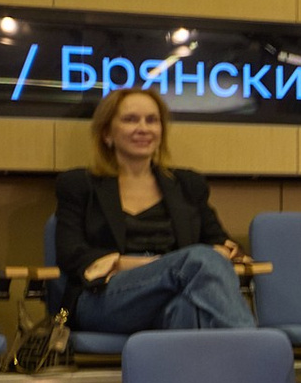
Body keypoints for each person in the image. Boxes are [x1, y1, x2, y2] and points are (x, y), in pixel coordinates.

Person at [53, 87, 255, 334]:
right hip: (105, 298)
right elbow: (71, 254)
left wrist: (221, 251)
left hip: (172, 293)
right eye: (130, 120)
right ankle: (253, 347)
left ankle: (216, 357)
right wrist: (163, 266)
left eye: (152, 120)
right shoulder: (79, 185)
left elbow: (220, 242)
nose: (143, 128)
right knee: (199, 260)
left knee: (185, 309)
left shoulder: (187, 185)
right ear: (107, 133)